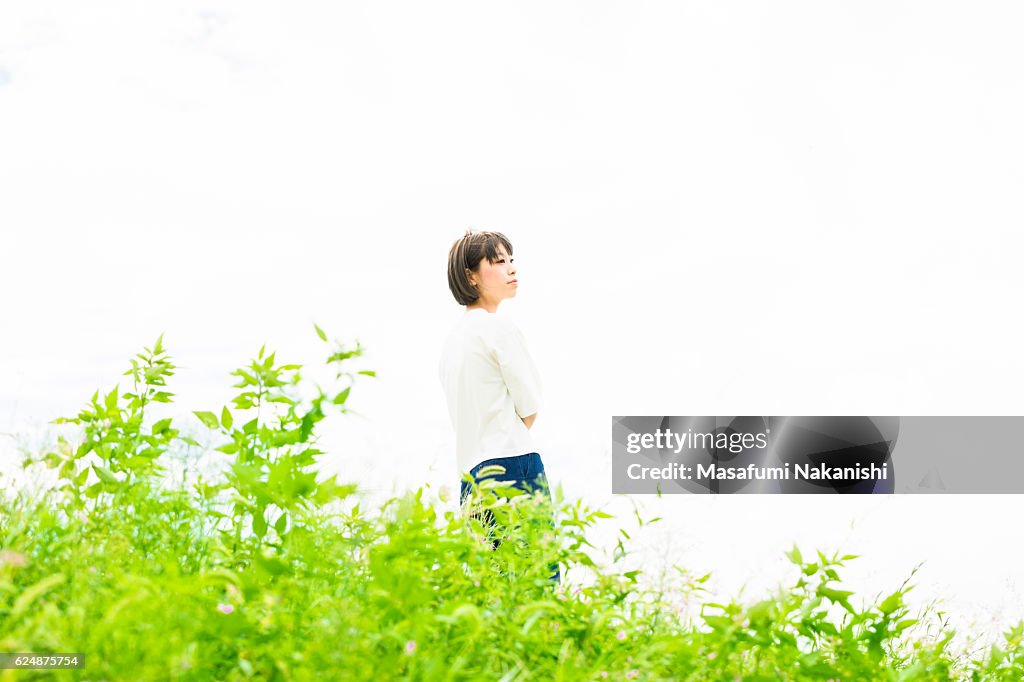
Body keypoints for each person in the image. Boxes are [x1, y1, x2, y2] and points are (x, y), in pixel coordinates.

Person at [439, 229, 560, 584]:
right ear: (470, 275)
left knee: (493, 588)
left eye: (511, 260)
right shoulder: (497, 328)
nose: (511, 269)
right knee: (537, 584)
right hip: (512, 467)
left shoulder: (451, 343)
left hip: (471, 479)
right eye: (497, 262)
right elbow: (529, 408)